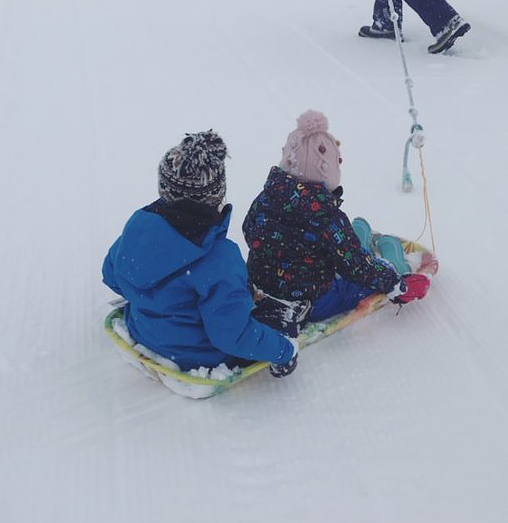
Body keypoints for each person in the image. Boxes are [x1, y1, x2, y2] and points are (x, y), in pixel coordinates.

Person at [102, 129, 299, 377]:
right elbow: (231, 336)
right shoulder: (220, 259)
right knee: (275, 315)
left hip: (142, 330)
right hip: (199, 356)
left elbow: (111, 274)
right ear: (216, 196)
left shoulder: (139, 228)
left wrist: (154, 300)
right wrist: (283, 351)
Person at [242, 111, 430, 330]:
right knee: (355, 281)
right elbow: (357, 267)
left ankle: (354, 243)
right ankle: (397, 268)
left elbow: (249, 229)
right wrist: (395, 285)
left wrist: (278, 253)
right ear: (327, 170)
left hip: (261, 288)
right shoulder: (325, 215)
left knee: (336, 248)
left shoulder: (268, 196)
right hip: (312, 301)